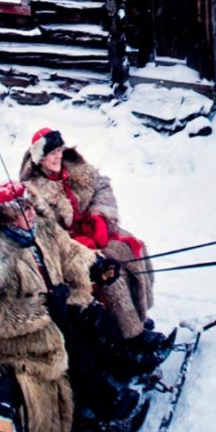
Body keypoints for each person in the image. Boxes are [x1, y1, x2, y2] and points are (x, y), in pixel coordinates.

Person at [0, 181, 147, 432]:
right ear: (5, 219)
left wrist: (94, 263)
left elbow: (68, 250)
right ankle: (108, 407)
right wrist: (44, 307)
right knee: (70, 342)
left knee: (94, 316)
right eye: (21, 213)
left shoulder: (38, 227)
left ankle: (118, 366)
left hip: (56, 304)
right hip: (18, 334)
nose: (29, 215)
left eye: (28, 208)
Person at [19, 127, 174, 367]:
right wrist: (79, 244)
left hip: (91, 230)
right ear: (39, 158)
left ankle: (138, 317)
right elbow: (48, 233)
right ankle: (130, 337)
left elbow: (102, 187)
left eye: (59, 150)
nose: (58, 156)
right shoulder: (34, 190)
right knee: (110, 274)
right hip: (67, 250)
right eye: (51, 153)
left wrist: (99, 216)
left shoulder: (75, 168)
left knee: (132, 248)